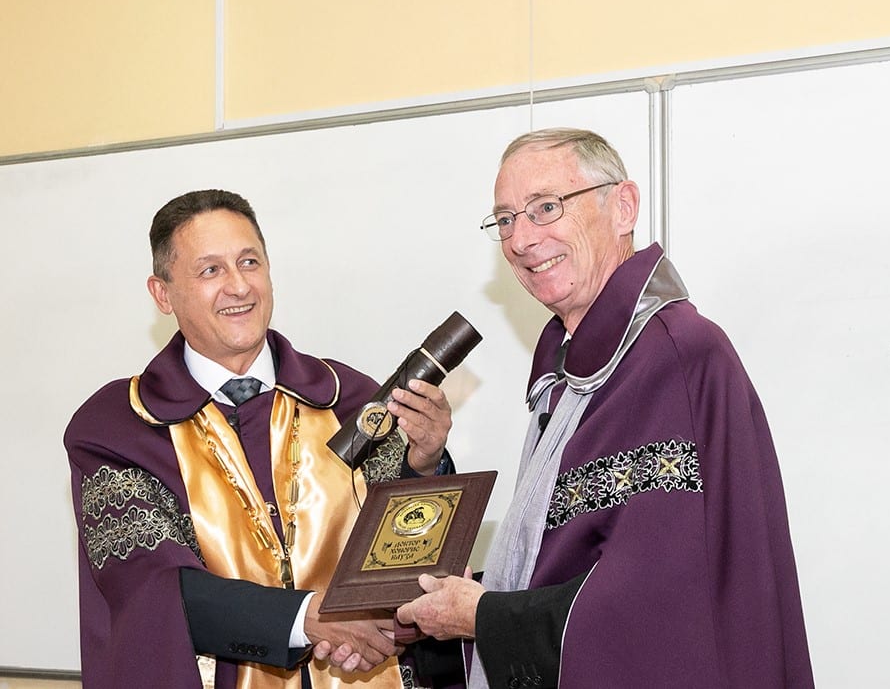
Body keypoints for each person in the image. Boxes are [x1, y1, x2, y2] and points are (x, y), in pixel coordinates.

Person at [396, 129, 815, 688]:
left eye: (545, 208)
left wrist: (481, 615)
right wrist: (444, 607)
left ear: (623, 207)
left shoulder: (672, 356)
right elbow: (566, 562)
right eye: (505, 220)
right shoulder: (572, 375)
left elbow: (658, 601)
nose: (521, 239)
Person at [65, 189, 460, 689]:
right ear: (162, 294)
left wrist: (423, 466)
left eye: (249, 262)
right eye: (210, 270)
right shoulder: (119, 428)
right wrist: (305, 618)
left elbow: (406, 551)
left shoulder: (350, 400)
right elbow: (154, 587)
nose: (238, 286)